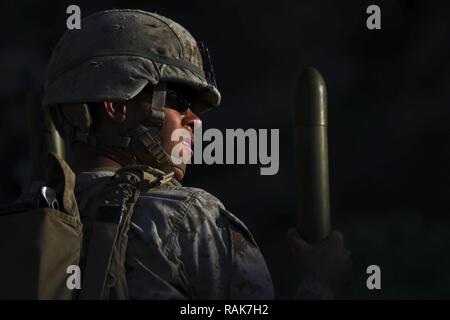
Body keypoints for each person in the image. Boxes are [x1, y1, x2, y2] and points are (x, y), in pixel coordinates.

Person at [42, 9, 351, 299]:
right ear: (118, 105)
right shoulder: (188, 218)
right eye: (179, 100)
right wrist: (320, 283)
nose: (195, 120)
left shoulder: (33, 226)